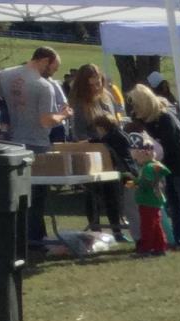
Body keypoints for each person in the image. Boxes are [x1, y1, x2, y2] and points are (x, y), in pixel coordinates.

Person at [0, 47, 68, 242]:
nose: (52, 73)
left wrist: (6, 110)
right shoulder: (43, 86)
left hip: (13, 141)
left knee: (17, 193)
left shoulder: (6, 75)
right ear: (44, 61)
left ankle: (20, 234)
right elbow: (46, 121)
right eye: (53, 68)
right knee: (38, 194)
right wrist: (64, 115)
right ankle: (35, 236)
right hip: (36, 142)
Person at [127, 86, 180, 249]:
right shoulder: (147, 120)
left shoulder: (165, 118)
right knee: (173, 204)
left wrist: (154, 155)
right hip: (164, 167)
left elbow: (170, 145)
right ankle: (178, 237)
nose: (134, 109)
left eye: (136, 104)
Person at [70, 64, 128, 242]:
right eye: (92, 84)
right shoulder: (79, 103)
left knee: (114, 192)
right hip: (92, 152)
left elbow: (114, 122)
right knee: (93, 193)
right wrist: (94, 143)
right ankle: (94, 230)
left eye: (98, 83)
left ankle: (117, 230)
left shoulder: (107, 96)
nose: (96, 87)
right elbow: (79, 132)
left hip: (111, 151)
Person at [132, 142, 172, 257]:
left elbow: (145, 183)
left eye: (137, 157)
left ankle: (146, 249)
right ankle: (160, 247)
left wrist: (129, 182)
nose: (136, 160)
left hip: (147, 200)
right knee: (156, 225)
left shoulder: (148, 168)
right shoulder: (155, 165)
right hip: (155, 199)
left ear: (144, 155)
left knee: (147, 226)